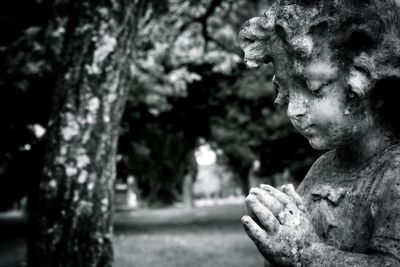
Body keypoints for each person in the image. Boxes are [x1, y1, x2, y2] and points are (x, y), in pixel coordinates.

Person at [238, 0, 400, 266]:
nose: (293, 110)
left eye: (314, 89)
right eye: (287, 92)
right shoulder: (323, 168)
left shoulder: (393, 174)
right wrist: (279, 238)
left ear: (371, 82)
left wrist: (304, 252)